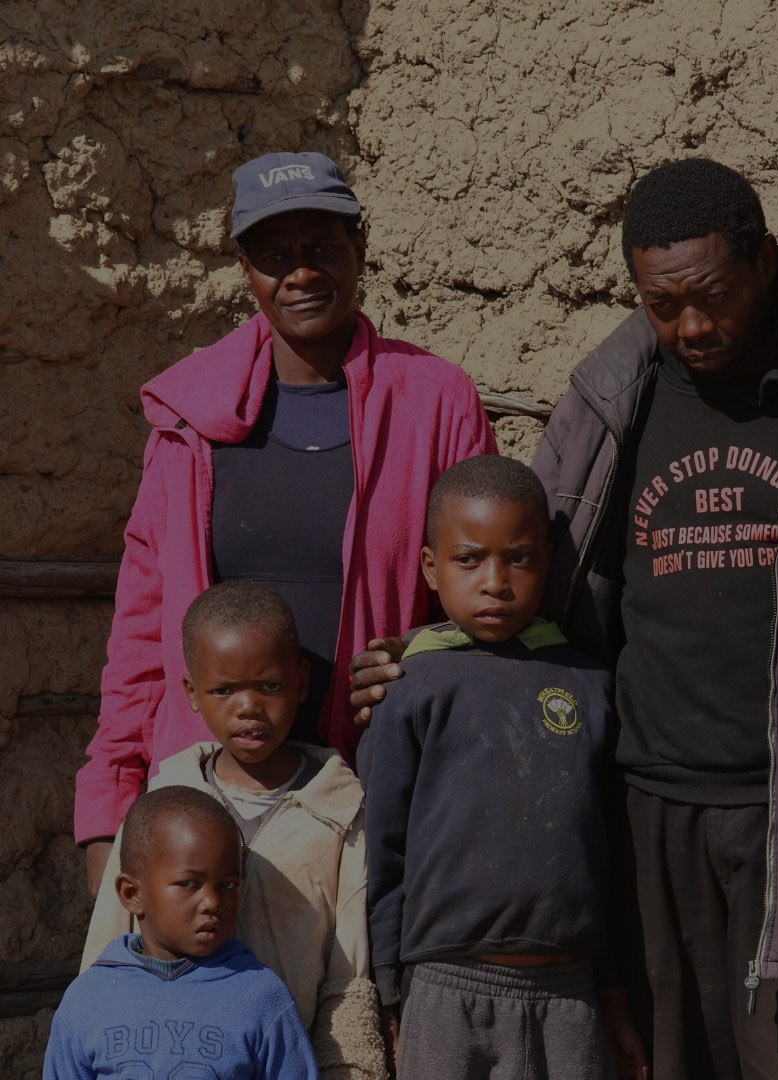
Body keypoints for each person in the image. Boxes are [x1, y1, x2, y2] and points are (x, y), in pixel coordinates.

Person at [349, 158, 778, 1078]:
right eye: (663, 305)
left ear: (763, 260)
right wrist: (422, 658)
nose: (693, 327)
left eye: (712, 296)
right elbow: (523, 592)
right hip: (641, 827)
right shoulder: (609, 400)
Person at [75, 151, 497, 895]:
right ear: (246, 271)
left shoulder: (434, 403)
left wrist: (418, 651)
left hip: (370, 788)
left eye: (321, 248)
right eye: (274, 256)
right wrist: (109, 810)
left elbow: (488, 588)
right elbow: (142, 634)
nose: (300, 273)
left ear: (359, 251)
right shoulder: (190, 421)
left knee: (350, 1006)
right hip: (205, 806)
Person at [356, 456, 643, 1080]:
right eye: (468, 559)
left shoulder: (588, 684)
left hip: (571, 993)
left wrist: (614, 991)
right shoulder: (408, 689)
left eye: (520, 557)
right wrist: (388, 988)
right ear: (431, 566)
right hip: (443, 989)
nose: (495, 581)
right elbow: (382, 851)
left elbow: (610, 857)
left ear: (548, 561)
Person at [78, 581, 385, 1079]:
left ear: (302, 682)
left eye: (268, 686)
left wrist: (346, 1069)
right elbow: (106, 954)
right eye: (223, 690)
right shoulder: (162, 803)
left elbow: (348, 974)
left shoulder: (337, 810)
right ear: (192, 695)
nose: (248, 707)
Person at [44, 787, 321, 1079]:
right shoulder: (88, 999)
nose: (213, 902)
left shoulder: (262, 997)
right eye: (189, 884)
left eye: (227, 885)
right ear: (132, 893)